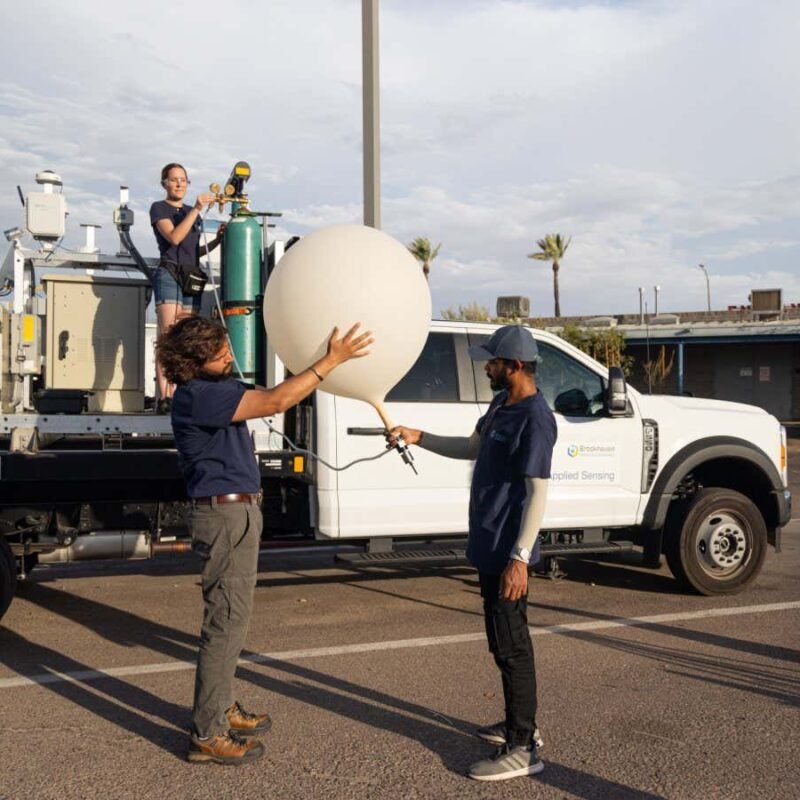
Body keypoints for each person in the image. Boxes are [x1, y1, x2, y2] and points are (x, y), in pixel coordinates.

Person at [156, 316, 373, 765]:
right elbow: (277, 401)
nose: (230, 355)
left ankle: (221, 705)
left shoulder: (209, 389)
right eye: (221, 351)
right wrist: (332, 359)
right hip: (225, 515)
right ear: (197, 360)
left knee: (232, 620)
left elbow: (269, 395)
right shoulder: (201, 395)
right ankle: (207, 733)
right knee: (225, 623)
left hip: (233, 512)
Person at [388, 325, 556, 782]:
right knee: (501, 643)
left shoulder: (535, 419)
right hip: (488, 543)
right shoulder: (502, 404)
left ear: (515, 366)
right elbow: (472, 448)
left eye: (493, 361)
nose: (486, 366)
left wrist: (520, 558)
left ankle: (523, 746)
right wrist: (418, 435)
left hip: (507, 552)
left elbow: (538, 492)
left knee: (512, 646)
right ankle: (520, 723)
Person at [150, 162, 223, 411]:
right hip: (170, 274)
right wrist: (197, 210)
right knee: (168, 335)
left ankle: (182, 392)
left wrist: (218, 241)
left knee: (187, 338)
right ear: (165, 184)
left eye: (184, 179)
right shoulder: (159, 209)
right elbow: (174, 238)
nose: (180, 183)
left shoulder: (193, 212)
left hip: (191, 276)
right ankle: (165, 396)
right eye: (174, 179)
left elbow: (193, 249)